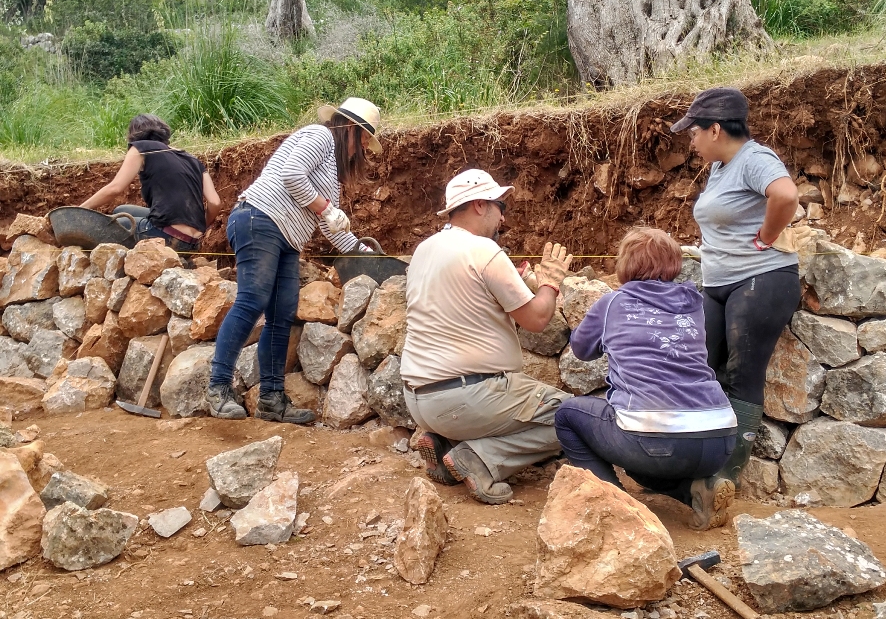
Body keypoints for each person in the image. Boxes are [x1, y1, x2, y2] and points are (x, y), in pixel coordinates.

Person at [401, 168, 574, 505]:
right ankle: (480, 459)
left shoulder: (424, 250)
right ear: (480, 204)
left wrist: (517, 284)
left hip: (420, 402)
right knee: (573, 417)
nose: (502, 218)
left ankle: (444, 445)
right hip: (466, 398)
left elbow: (469, 303)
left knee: (526, 410)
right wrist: (551, 282)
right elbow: (537, 319)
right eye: (501, 207)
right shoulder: (483, 251)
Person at [205, 98, 383, 424]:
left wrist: (368, 257)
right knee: (252, 300)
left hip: (287, 238)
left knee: (281, 314)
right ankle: (217, 388)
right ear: (352, 129)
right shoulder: (320, 135)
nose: (361, 149)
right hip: (260, 218)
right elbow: (291, 173)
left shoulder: (332, 170)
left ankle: (272, 400)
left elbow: (334, 230)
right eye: (361, 140)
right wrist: (324, 208)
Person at [553, 227, 738, 530]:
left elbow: (582, 350)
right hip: (720, 437)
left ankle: (613, 505)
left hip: (657, 439)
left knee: (567, 415)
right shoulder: (694, 304)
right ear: (674, 263)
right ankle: (695, 492)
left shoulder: (612, 303)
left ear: (625, 264)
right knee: (639, 462)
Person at [670, 87, 802, 485]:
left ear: (714, 130)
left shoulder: (754, 158)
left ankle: (726, 476)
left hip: (761, 279)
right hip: (719, 283)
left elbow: (785, 194)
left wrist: (765, 235)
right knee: (700, 364)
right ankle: (692, 458)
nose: (691, 142)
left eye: (693, 133)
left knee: (744, 374)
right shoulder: (720, 167)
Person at [81, 114, 221, 252]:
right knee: (121, 211)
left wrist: (80, 209)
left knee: (107, 225)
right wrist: (196, 230)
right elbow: (215, 202)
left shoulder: (140, 147)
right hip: (191, 243)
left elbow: (115, 188)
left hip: (165, 236)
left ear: (134, 134)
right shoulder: (193, 160)